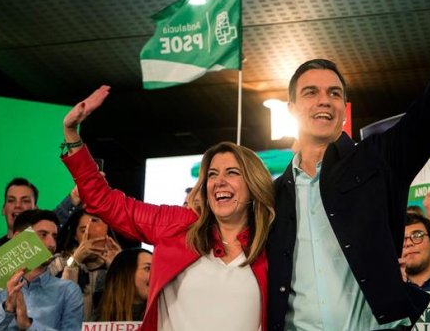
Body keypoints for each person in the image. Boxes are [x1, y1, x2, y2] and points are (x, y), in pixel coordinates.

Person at [267, 0, 430, 329]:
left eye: (335, 93)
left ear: (343, 108)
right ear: (291, 109)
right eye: (311, 92)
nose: (325, 101)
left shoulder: (378, 160)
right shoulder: (272, 196)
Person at [61, 92, 275, 331]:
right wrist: (72, 135)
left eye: (232, 173)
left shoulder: (273, 245)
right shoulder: (178, 226)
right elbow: (106, 203)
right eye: (212, 175)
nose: (219, 181)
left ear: (254, 185)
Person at [0, 209, 83, 331]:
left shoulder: (68, 291)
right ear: (18, 238)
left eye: (54, 236)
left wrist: (28, 325)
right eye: (43, 235)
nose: (52, 244)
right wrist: (7, 308)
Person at [51, 208, 121, 320]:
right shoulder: (59, 263)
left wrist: (118, 266)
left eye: (97, 230)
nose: (91, 237)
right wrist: (75, 261)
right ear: (75, 235)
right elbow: (58, 302)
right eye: (84, 231)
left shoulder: (117, 263)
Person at [97, 248, 153, 321]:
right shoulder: (98, 322)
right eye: (148, 268)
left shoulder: (165, 316)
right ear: (126, 274)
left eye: (157, 269)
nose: (156, 275)